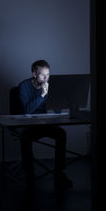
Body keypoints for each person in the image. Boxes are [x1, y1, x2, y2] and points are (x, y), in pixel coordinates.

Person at [17, 59, 73, 188]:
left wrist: (55, 97)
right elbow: (26, 111)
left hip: (45, 122)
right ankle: (29, 173)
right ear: (34, 74)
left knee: (61, 134)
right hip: (28, 124)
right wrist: (42, 96)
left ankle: (59, 171)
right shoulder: (24, 86)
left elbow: (57, 110)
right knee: (25, 137)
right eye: (43, 74)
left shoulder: (49, 85)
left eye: (48, 75)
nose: (46, 78)